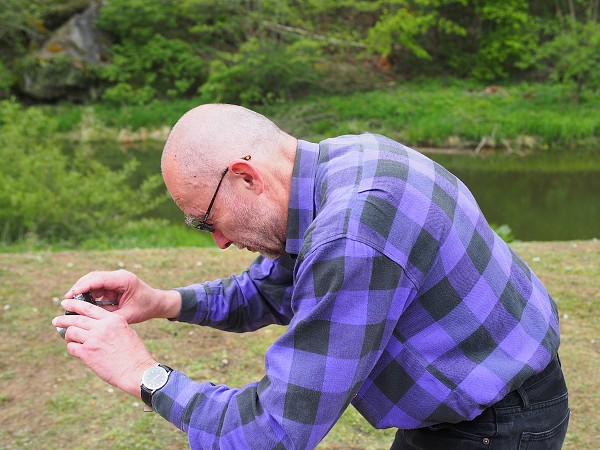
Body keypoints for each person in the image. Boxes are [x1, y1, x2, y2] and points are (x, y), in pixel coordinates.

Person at [53, 104, 569, 449]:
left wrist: (142, 374)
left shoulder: (353, 233)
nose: (219, 241)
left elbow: (278, 428)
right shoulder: (343, 159)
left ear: (245, 176)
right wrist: (161, 301)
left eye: (208, 220)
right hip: (467, 398)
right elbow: (272, 287)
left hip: (498, 424)